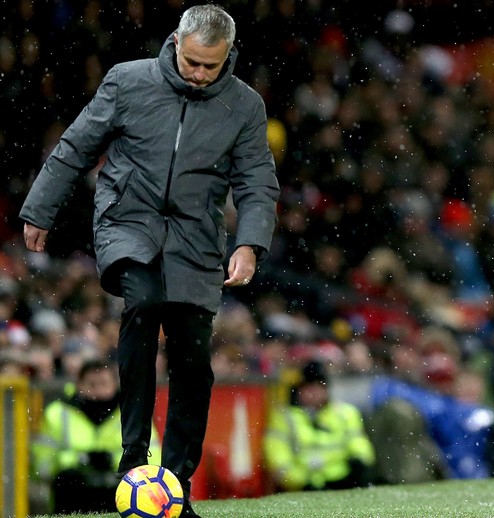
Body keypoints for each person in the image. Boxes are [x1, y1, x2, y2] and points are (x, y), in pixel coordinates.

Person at [19, 5, 279, 516]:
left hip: (197, 236)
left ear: (228, 55)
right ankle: (133, 460)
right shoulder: (127, 81)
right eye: (192, 62)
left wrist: (248, 245)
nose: (200, 75)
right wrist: (40, 210)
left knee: (192, 357)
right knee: (143, 303)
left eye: (212, 66)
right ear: (177, 41)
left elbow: (256, 183)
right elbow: (76, 145)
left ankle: (175, 486)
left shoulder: (245, 106)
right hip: (127, 221)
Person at [31, 359, 161, 514]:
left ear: (115, 384)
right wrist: (81, 461)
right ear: (79, 385)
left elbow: (152, 463)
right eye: (92, 385)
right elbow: (42, 467)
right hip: (73, 493)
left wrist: (111, 461)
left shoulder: (133, 415)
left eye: (104, 384)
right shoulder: (57, 414)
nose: (98, 391)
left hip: (121, 492)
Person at [262, 361, 376, 491]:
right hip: (303, 488)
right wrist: (303, 483)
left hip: (343, 481)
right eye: (309, 387)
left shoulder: (346, 413)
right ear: (299, 390)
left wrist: (360, 462)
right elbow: (278, 459)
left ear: (326, 389)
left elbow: (359, 443)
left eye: (319, 387)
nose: (314, 392)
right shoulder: (284, 418)